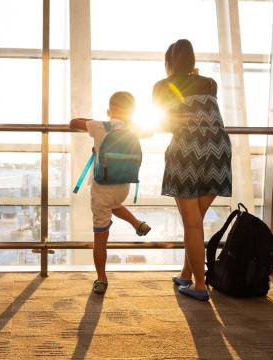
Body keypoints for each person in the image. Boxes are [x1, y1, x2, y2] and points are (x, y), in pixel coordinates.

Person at [153, 39, 232, 302]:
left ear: (168, 63)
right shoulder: (210, 83)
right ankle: (187, 274)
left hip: (187, 154)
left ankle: (199, 285)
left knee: (192, 223)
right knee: (195, 221)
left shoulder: (163, 86)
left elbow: (163, 124)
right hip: (218, 152)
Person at [70, 91, 151, 295]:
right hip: (123, 186)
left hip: (102, 189)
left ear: (109, 110)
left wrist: (97, 120)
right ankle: (137, 224)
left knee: (100, 241)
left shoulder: (100, 126)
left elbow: (73, 122)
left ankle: (101, 278)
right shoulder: (134, 129)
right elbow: (151, 131)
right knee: (114, 204)